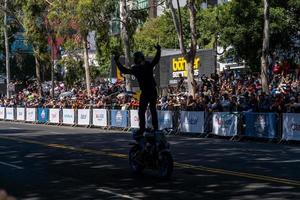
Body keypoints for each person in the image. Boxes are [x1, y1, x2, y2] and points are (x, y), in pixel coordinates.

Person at [114, 45, 161, 136]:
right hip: (146, 91)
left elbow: (155, 60)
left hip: (151, 90)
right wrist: (117, 61)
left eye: (136, 57)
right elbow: (124, 70)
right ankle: (144, 128)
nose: (135, 59)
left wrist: (159, 51)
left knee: (151, 109)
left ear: (140, 58)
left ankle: (154, 128)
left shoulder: (146, 65)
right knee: (143, 111)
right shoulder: (136, 68)